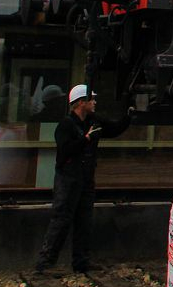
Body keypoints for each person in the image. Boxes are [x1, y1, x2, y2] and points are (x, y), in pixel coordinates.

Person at [33, 84, 132, 274]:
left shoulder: (93, 121)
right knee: (62, 219)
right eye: (91, 99)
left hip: (85, 178)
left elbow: (113, 129)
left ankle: (81, 263)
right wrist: (86, 139)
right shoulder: (66, 125)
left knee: (84, 221)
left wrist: (129, 117)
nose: (95, 102)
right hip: (68, 178)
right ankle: (45, 264)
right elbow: (65, 150)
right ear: (81, 103)